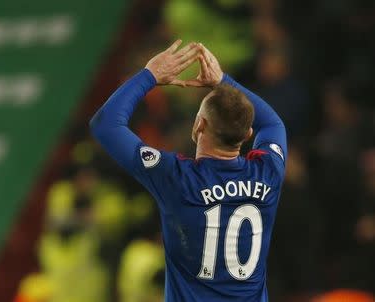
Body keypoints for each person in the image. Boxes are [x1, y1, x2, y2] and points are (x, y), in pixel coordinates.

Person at [90, 40, 287, 302]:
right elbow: (272, 123)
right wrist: (223, 81)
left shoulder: (177, 177)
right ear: (249, 133)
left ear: (199, 126)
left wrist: (150, 75)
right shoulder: (268, 172)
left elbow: (106, 123)